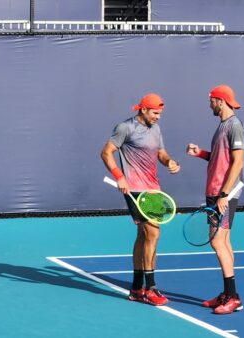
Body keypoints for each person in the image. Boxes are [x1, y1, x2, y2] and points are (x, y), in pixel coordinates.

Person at [101, 93, 180, 306]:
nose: (158, 117)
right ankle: (150, 288)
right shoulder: (125, 128)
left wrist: (170, 162)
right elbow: (106, 152)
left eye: (160, 113)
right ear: (143, 109)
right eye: (155, 113)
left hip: (153, 189)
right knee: (152, 232)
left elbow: (161, 153)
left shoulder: (156, 129)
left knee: (144, 236)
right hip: (135, 189)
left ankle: (136, 287)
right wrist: (119, 177)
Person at [186, 84, 244, 314]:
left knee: (217, 242)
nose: (209, 104)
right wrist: (200, 153)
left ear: (220, 101)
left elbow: (238, 162)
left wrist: (223, 194)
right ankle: (228, 294)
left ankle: (232, 297)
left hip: (223, 194)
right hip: (216, 192)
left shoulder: (234, 126)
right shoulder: (222, 127)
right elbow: (221, 160)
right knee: (225, 242)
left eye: (211, 100)